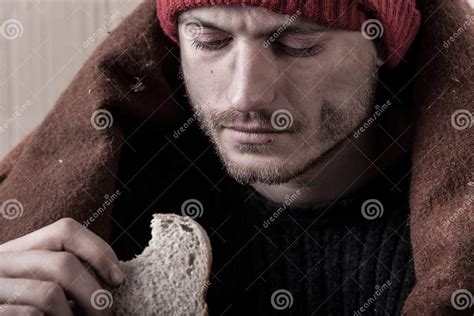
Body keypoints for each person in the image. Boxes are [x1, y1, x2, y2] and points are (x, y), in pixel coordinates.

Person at [0, 0, 472, 315]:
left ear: (385, 43)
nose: (245, 96)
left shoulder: (449, 239)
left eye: (297, 45)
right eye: (210, 41)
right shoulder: (112, 196)